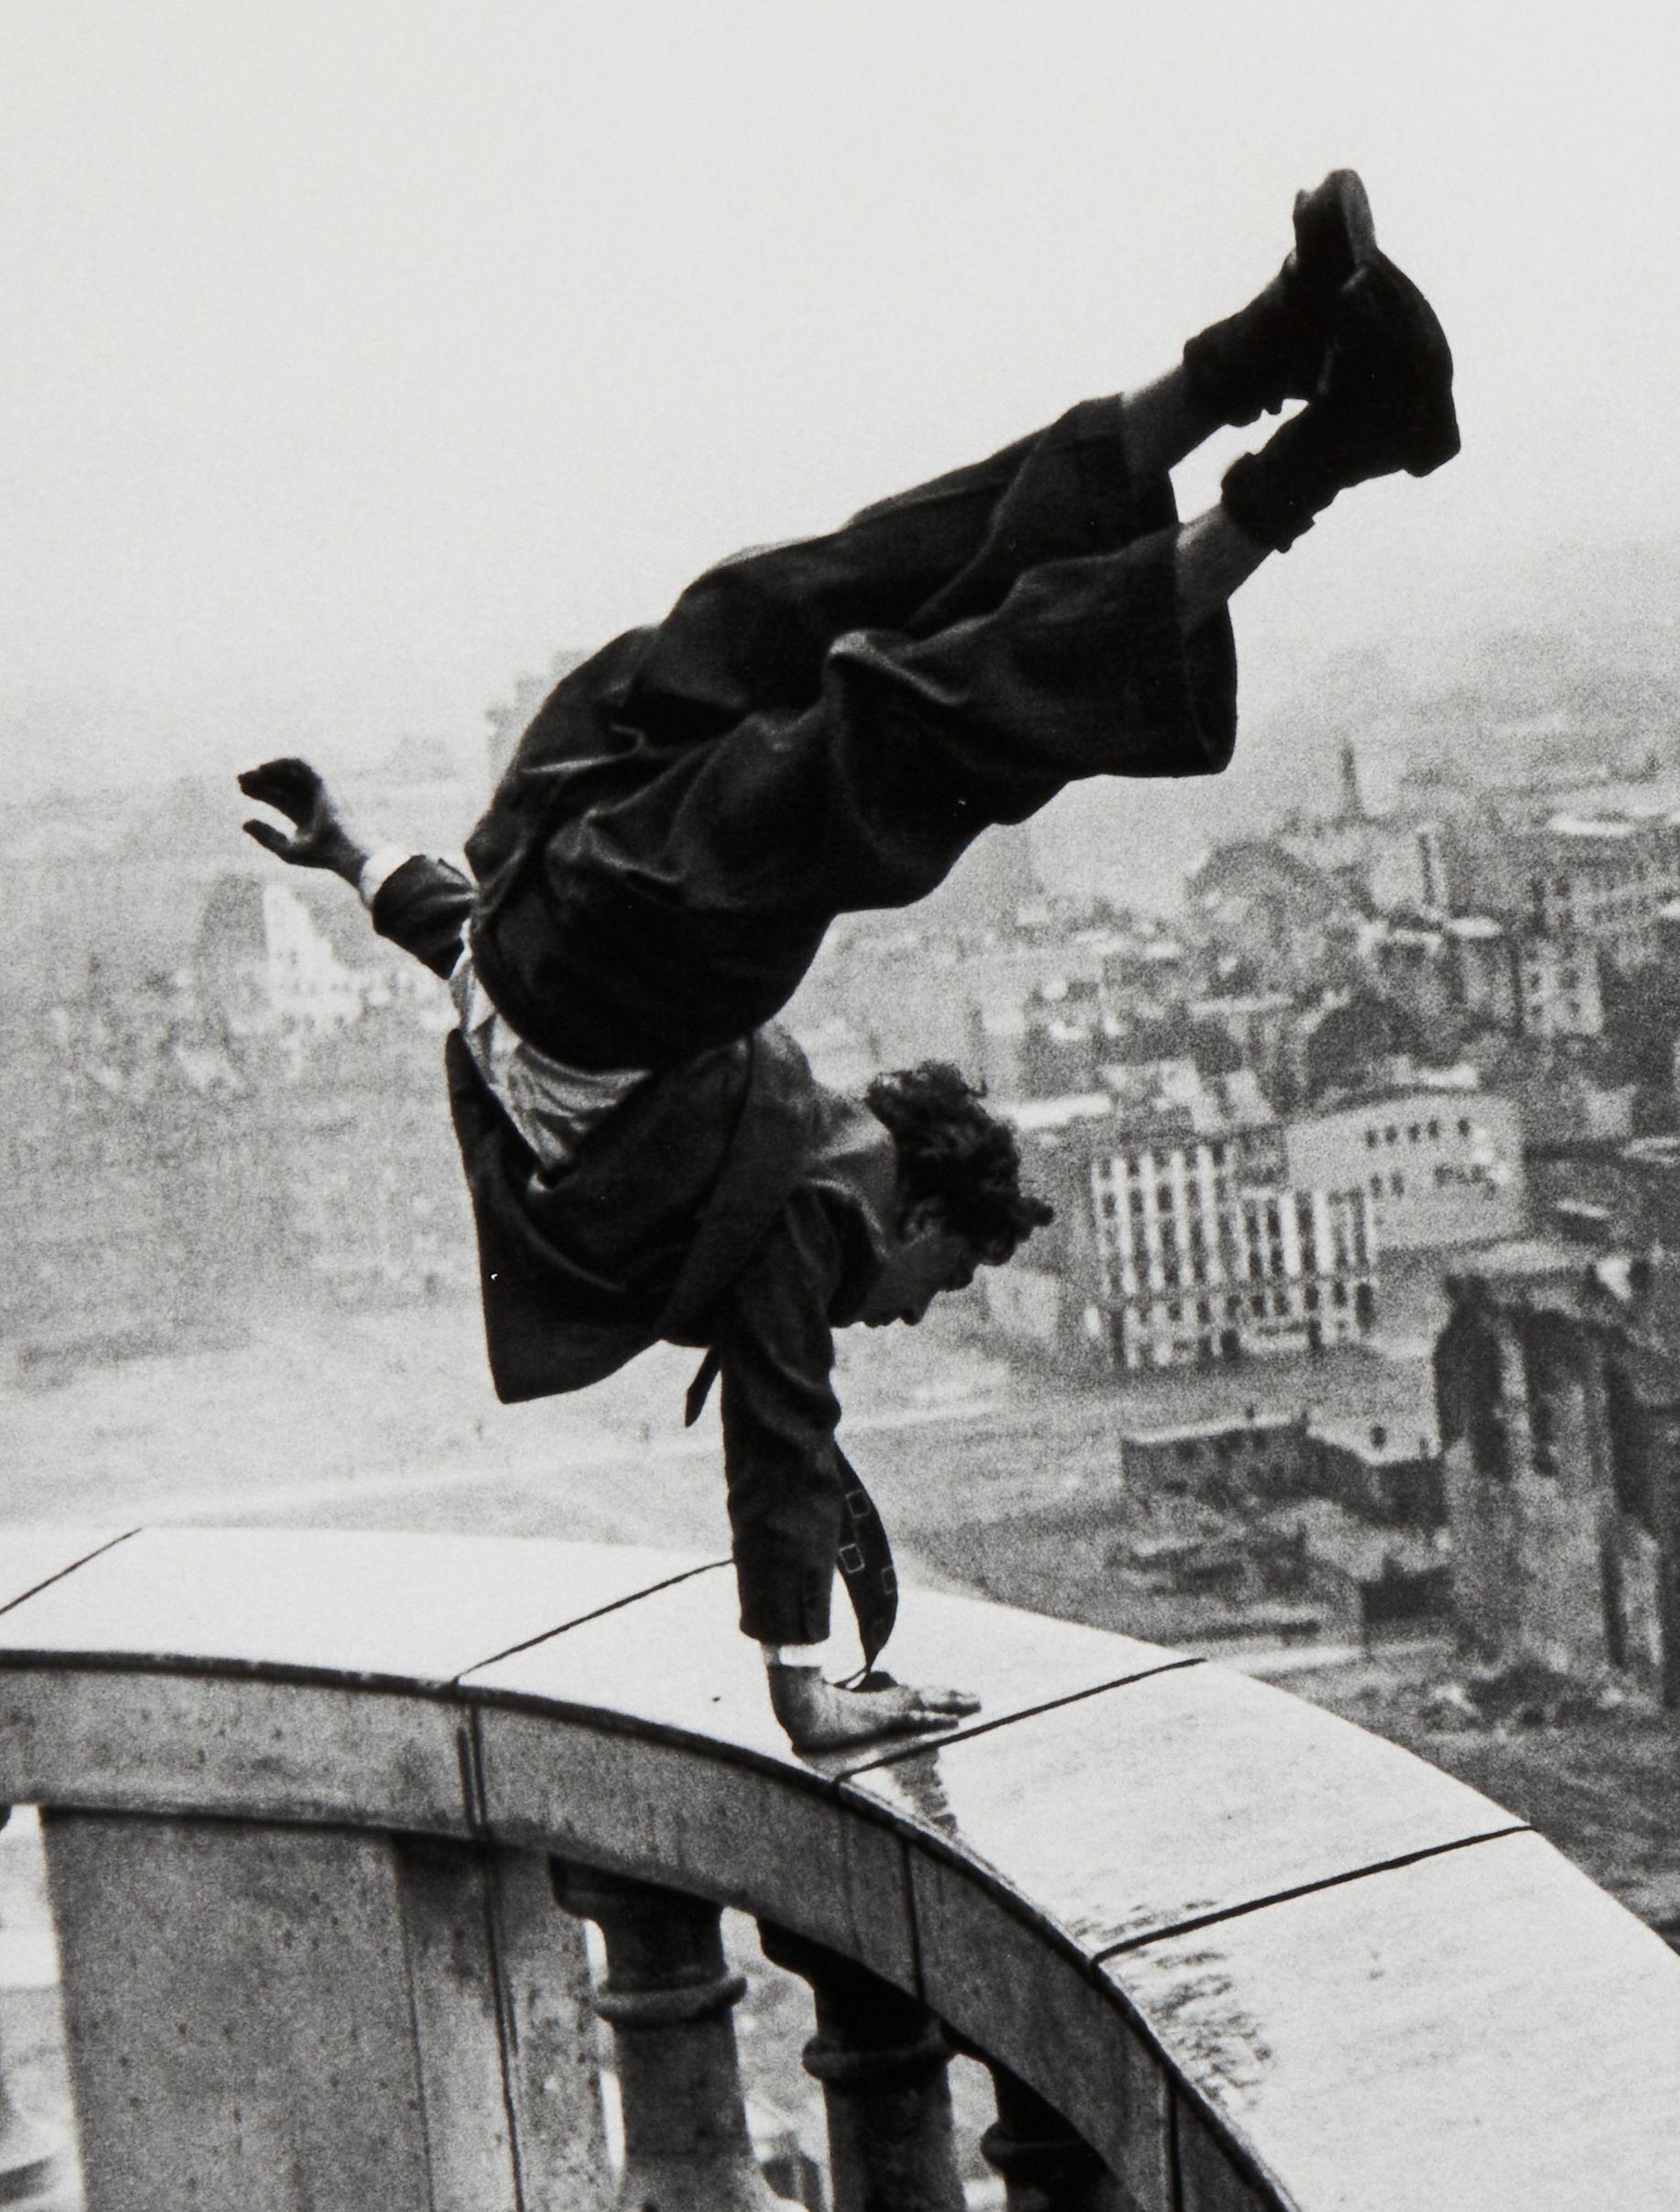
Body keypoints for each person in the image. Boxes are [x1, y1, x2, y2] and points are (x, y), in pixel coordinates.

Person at [241, 172, 1456, 1751]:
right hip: (595, 910)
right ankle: (1306, 419)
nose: (907, 1315)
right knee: (889, 688)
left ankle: (1301, 395)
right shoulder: (814, 1202)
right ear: (916, 1210)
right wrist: (803, 1683)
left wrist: (347, 852)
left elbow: (467, 970)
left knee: (830, 607)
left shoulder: (767, 1159)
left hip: (552, 862)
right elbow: (783, 1422)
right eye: (939, 1282)